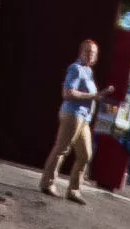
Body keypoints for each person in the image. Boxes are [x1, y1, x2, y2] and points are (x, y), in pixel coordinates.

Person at [42, 39, 103, 199]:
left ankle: (74, 190)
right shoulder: (75, 69)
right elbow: (68, 93)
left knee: (85, 154)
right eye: (88, 51)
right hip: (72, 114)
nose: (91, 55)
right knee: (62, 149)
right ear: (81, 52)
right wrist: (93, 96)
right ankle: (47, 183)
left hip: (84, 118)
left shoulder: (89, 72)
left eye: (94, 53)